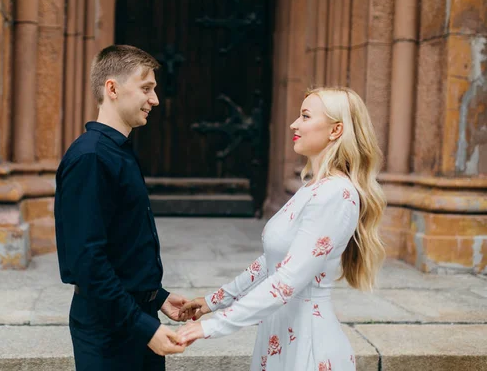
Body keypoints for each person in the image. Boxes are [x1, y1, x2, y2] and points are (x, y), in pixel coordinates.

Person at [177, 87, 387, 371]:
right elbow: (271, 262)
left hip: (309, 346)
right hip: (281, 334)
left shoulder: (335, 194)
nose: (294, 124)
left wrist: (212, 326)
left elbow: (286, 280)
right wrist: (213, 301)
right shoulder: (311, 188)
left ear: (336, 130)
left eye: (305, 116)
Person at [54, 45, 193, 371]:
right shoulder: (91, 157)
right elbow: (88, 262)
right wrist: (144, 327)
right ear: (112, 88)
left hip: (134, 317)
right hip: (110, 329)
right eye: (146, 88)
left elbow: (122, 246)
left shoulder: (117, 152)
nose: (155, 100)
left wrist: (156, 298)